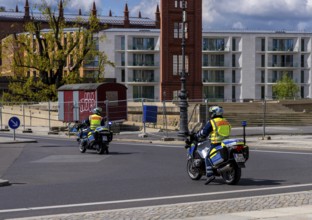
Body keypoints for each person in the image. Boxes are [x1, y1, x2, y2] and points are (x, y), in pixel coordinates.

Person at [194, 105, 231, 185]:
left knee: (207, 158)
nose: (211, 114)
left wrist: (196, 135)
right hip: (226, 143)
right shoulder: (226, 121)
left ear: (214, 113)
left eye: (212, 113)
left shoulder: (213, 122)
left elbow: (204, 132)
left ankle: (210, 175)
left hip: (216, 143)